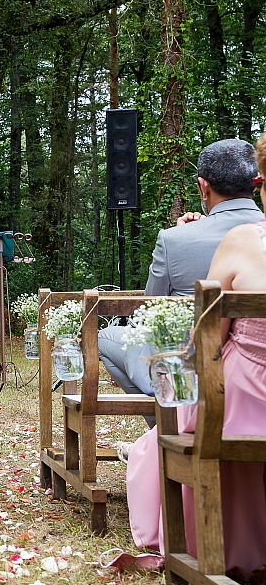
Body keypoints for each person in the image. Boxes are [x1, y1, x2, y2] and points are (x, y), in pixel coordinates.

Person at [123, 133, 266, 578]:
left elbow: (190, 331)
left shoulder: (238, 241)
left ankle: (158, 421)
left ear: (204, 187)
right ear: (254, 182)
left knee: (125, 346)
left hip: (244, 401)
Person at [100, 139, 262, 406]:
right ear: (255, 184)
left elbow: (152, 308)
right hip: (254, 376)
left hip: (193, 372)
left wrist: (179, 235)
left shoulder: (174, 240)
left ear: (203, 186)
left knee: (106, 337)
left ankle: (165, 427)